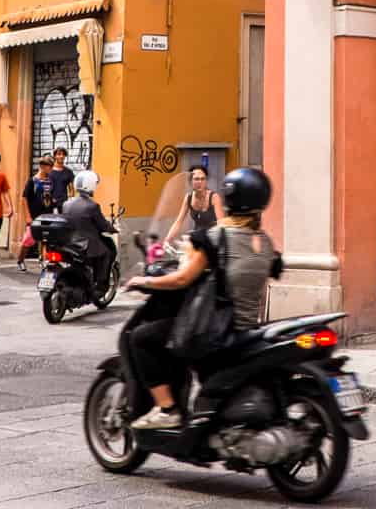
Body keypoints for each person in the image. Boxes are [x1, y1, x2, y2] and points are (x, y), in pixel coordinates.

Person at [123, 166, 282, 430]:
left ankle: (167, 409)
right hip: (247, 327)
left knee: (141, 337)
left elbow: (182, 279)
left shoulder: (217, 238)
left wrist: (145, 280)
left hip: (214, 330)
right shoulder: (264, 242)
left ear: (229, 198)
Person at [63, 170, 117, 294]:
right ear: (91, 185)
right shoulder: (92, 206)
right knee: (108, 253)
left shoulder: (67, 203)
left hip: (69, 242)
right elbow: (103, 225)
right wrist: (113, 229)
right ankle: (101, 284)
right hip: (86, 244)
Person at [162, 165, 225, 245]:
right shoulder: (188, 198)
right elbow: (179, 221)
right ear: (190, 181)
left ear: (206, 181)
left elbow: (222, 223)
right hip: (198, 239)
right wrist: (168, 239)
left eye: (203, 179)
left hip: (213, 240)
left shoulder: (214, 197)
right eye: (196, 179)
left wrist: (219, 242)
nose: (200, 182)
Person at [17, 156, 56, 273]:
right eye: (50, 167)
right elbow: (24, 198)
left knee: (45, 239)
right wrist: (27, 216)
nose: (51, 169)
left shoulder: (50, 180)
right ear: (43, 167)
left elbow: (50, 195)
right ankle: (20, 260)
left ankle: (44, 260)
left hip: (47, 214)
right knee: (28, 240)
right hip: (34, 216)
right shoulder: (32, 181)